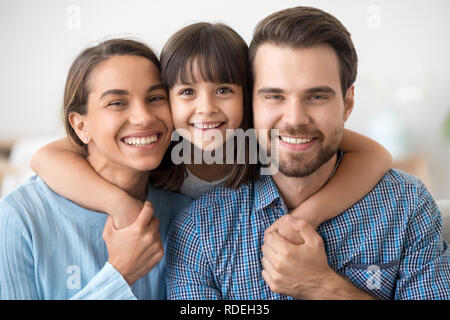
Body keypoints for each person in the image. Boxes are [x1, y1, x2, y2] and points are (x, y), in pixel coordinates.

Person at [165, 6, 450, 300]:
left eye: (316, 96)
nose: (295, 119)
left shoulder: (407, 207)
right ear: (252, 104)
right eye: (275, 96)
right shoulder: (199, 229)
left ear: (348, 103)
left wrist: (323, 286)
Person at [30, 22, 392, 234]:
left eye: (223, 90)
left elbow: (376, 154)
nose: (206, 109)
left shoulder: (263, 141)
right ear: (168, 99)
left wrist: (304, 218)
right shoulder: (160, 146)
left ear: (249, 96)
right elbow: (45, 157)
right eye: (186, 92)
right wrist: (120, 204)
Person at [0, 39, 191, 299]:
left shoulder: (186, 215)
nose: (144, 117)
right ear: (80, 126)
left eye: (156, 98)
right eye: (117, 103)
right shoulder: (19, 218)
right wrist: (121, 273)